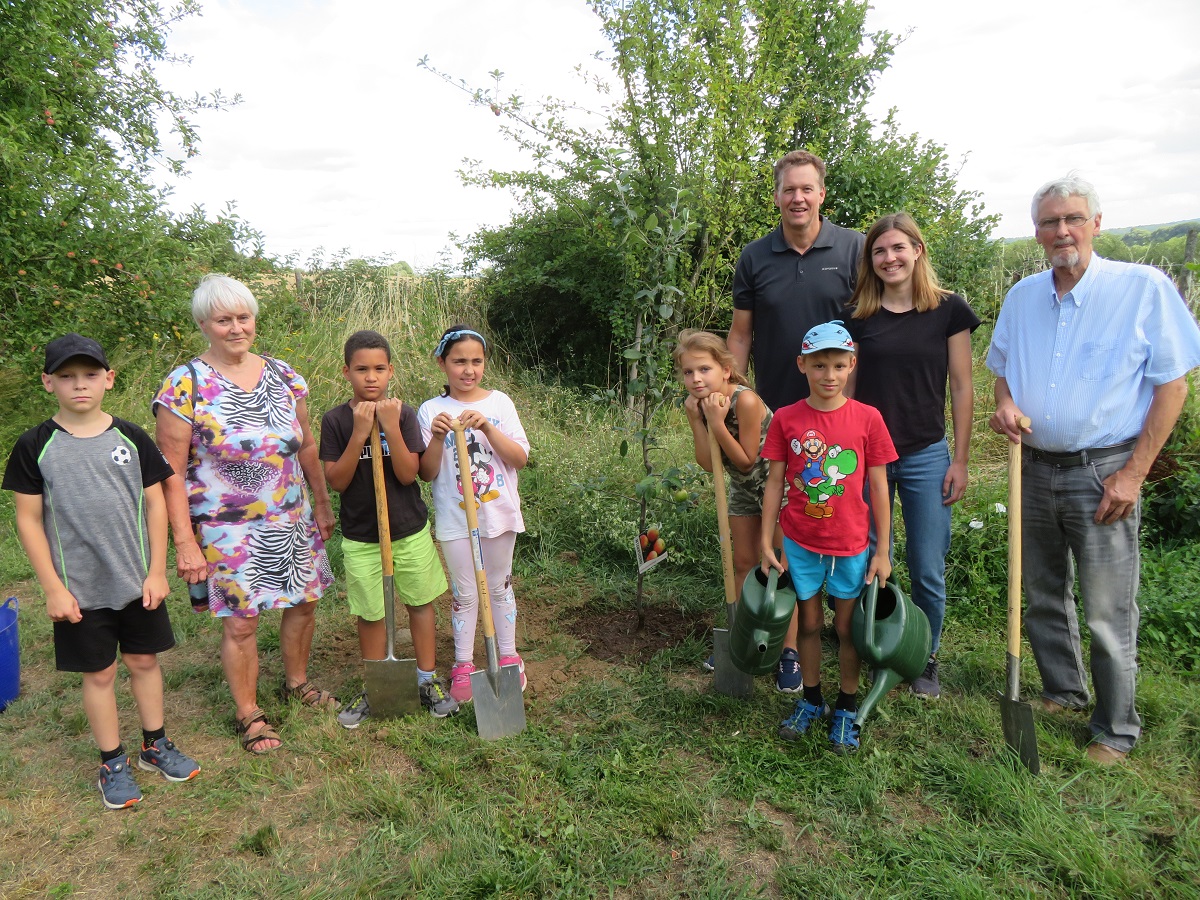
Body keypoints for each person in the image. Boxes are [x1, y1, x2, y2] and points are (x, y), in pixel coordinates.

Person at [987, 174, 1200, 764]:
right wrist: (1005, 403)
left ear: (1096, 224)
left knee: (1107, 607)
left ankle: (1115, 729)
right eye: (1050, 222)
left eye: (1073, 218)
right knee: (1042, 593)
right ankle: (1063, 689)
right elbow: (1001, 366)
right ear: (1036, 233)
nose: (1062, 231)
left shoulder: (1142, 289)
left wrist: (1133, 474)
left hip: (1102, 470)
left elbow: (1173, 387)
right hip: (1031, 467)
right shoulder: (1023, 297)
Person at [4, 334, 200, 809]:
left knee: (144, 662)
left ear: (108, 379)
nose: (79, 386)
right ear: (48, 382)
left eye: (90, 375)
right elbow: (28, 520)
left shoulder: (131, 437)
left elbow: (155, 502)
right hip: (79, 591)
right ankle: (112, 761)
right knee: (100, 673)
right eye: (66, 377)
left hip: (136, 581)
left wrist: (156, 571)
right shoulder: (34, 446)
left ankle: (155, 745)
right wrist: (52, 587)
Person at [154, 275, 337, 754]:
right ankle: (249, 712)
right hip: (226, 529)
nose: (236, 328)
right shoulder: (184, 384)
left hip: (291, 515)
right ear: (203, 325)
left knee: (304, 602)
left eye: (243, 317)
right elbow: (168, 471)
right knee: (242, 621)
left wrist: (320, 502)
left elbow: (308, 445)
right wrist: (186, 542)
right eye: (223, 319)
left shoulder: (283, 374)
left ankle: (295, 681)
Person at [727, 149, 865, 693]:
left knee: (834, 519)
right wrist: (734, 391)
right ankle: (786, 645)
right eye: (789, 190)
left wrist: (850, 407)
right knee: (779, 529)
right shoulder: (755, 256)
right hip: (777, 419)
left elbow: (868, 332)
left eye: (807, 189)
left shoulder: (854, 248)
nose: (798, 198)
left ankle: (845, 634)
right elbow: (741, 332)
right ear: (778, 195)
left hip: (839, 420)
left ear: (822, 193)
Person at [846, 212, 980, 699]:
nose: (890, 258)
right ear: (871, 260)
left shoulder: (949, 310)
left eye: (899, 248)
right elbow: (848, 394)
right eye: (879, 251)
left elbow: (963, 387)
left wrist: (959, 460)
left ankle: (924, 657)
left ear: (918, 251)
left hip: (926, 453)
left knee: (926, 564)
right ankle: (872, 642)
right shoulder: (858, 317)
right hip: (869, 458)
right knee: (864, 556)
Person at [760, 321, 897, 753]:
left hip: (851, 545)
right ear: (802, 365)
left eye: (839, 365)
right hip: (800, 540)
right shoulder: (786, 418)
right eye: (819, 365)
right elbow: (774, 482)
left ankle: (846, 708)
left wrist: (883, 551)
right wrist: (768, 540)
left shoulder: (868, 419)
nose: (829, 375)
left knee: (846, 628)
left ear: (852, 365)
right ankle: (812, 700)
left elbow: (878, 487)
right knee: (809, 622)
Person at [320, 330, 458, 726]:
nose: (371, 377)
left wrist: (390, 428)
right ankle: (377, 682)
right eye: (361, 369)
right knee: (371, 611)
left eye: (379, 369)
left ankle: (426, 679)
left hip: (408, 529)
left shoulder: (405, 413)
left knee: (420, 602)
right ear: (346, 372)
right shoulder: (336, 420)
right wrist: (361, 433)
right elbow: (338, 481)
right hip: (363, 537)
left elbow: (408, 471)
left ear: (391, 371)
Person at [418, 326, 531, 704]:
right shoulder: (431, 411)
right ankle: (464, 664)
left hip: (498, 513)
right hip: (455, 517)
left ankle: (509, 655)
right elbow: (427, 472)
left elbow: (519, 458)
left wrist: (486, 428)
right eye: (459, 361)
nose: (468, 370)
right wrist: (436, 438)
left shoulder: (499, 403)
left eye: (476, 361)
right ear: (442, 364)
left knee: (499, 586)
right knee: (465, 593)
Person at [674, 329, 772, 669]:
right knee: (743, 563)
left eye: (704, 369)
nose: (696, 378)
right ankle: (740, 638)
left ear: (725, 370)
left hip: (781, 488)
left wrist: (716, 422)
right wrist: (695, 419)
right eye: (688, 372)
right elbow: (707, 462)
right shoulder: (700, 405)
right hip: (744, 489)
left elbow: (746, 459)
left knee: (779, 567)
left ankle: (785, 650)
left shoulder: (745, 400)